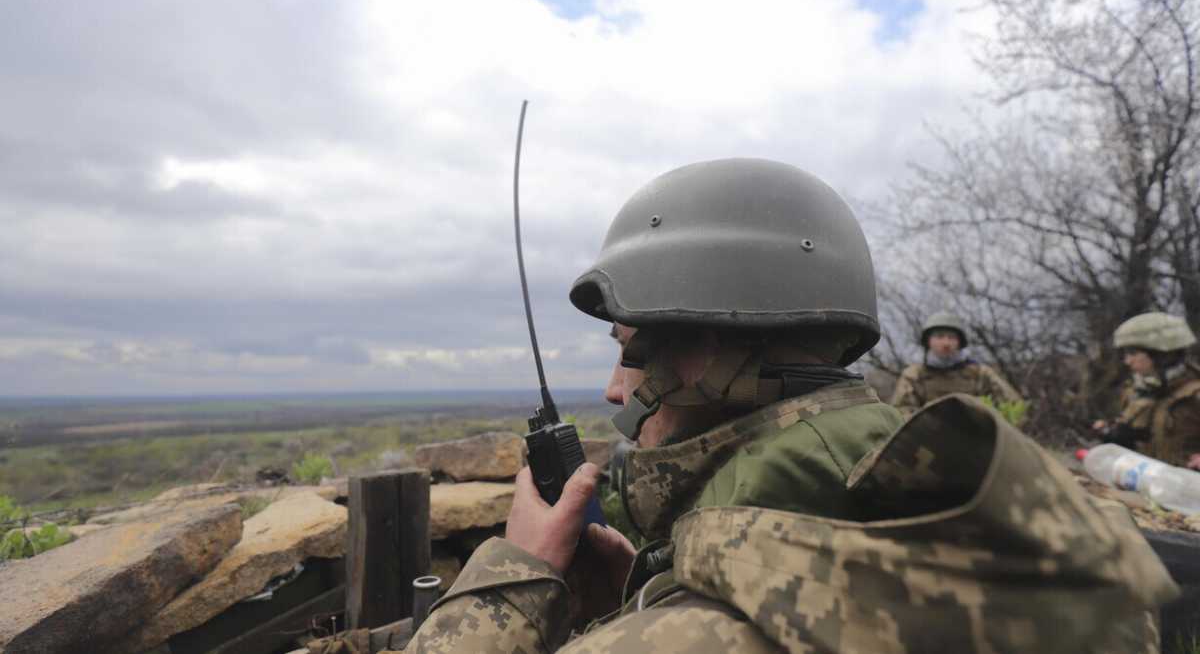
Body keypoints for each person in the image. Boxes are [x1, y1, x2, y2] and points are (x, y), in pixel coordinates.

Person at [400, 159, 1174, 653]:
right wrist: (649, 589)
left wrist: (515, 581)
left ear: (704, 352)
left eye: (625, 346)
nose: (611, 390)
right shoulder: (988, 524)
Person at [1093, 312, 1200, 469]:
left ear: (1160, 354)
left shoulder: (1195, 393)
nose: (1127, 361)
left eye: (1133, 353)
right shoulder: (1135, 391)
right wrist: (1115, 434)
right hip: (1148, 486)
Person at [889, 311, 1023, 418]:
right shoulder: (914, 375)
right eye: (939, 336)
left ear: (960, 342)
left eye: (951, 337)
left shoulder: (979, 373)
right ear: (928, 341)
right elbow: (900, 412)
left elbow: (1013, 406)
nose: (946, 343)